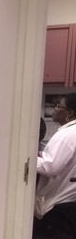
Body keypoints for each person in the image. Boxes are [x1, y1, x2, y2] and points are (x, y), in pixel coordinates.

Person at [35, 94, 76, 225]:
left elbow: (50, 167)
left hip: (59, 205)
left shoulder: (67, 135)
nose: (55, 109)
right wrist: (42, 155)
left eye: (59, 106)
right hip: (70, 201)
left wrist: (25, 158)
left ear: (69, 113)